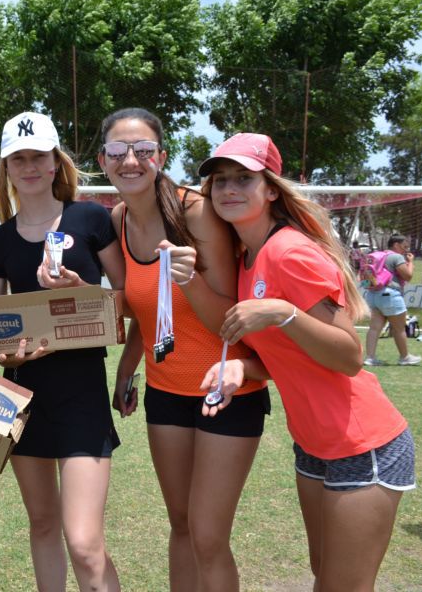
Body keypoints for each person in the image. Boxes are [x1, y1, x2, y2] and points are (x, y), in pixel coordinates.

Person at [198, 132, 416, 591]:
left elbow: (350, 356)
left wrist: (283, 312)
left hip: (364, 443)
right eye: (220, 181)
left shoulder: (289, 251)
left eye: (244, 178)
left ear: (271, 188)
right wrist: (244, 368)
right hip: (314, 446)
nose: (229, 189)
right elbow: (294, 358)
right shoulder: (249, 256)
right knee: (327, 577)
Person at [100, 108, 269, 592]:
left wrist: (190, 278)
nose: (130, 160)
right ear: (103, 160)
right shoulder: (119, 218)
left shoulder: (196, 211)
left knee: (209, 536)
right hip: (165, 391)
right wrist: (125, 371)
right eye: (117, 151)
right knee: (181, 526)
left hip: (227, 387)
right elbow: (148, 310)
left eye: (143, 150)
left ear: (161, 156)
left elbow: (228, 322)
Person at [0, 111, 125, 591]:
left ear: (55, 161)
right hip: (27, 398)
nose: (29, 166)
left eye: (38, 156)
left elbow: (125, 303)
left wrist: (82, 290)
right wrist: (10, 355)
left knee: (83, 541)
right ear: (6, 168)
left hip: (82, 394)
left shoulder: (91, 218)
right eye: (18, 158)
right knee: (42, 526)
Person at [362, 234, 421, 366]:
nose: (406, 250)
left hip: (373, 294)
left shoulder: (379, 256)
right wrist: (410, 262)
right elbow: (408, 276)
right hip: (390, 295)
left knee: (374, 328)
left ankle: (370, 357)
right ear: (396, 245)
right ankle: (405, 357)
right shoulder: (396, 257)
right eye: (404, 246)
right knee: (399, 328)